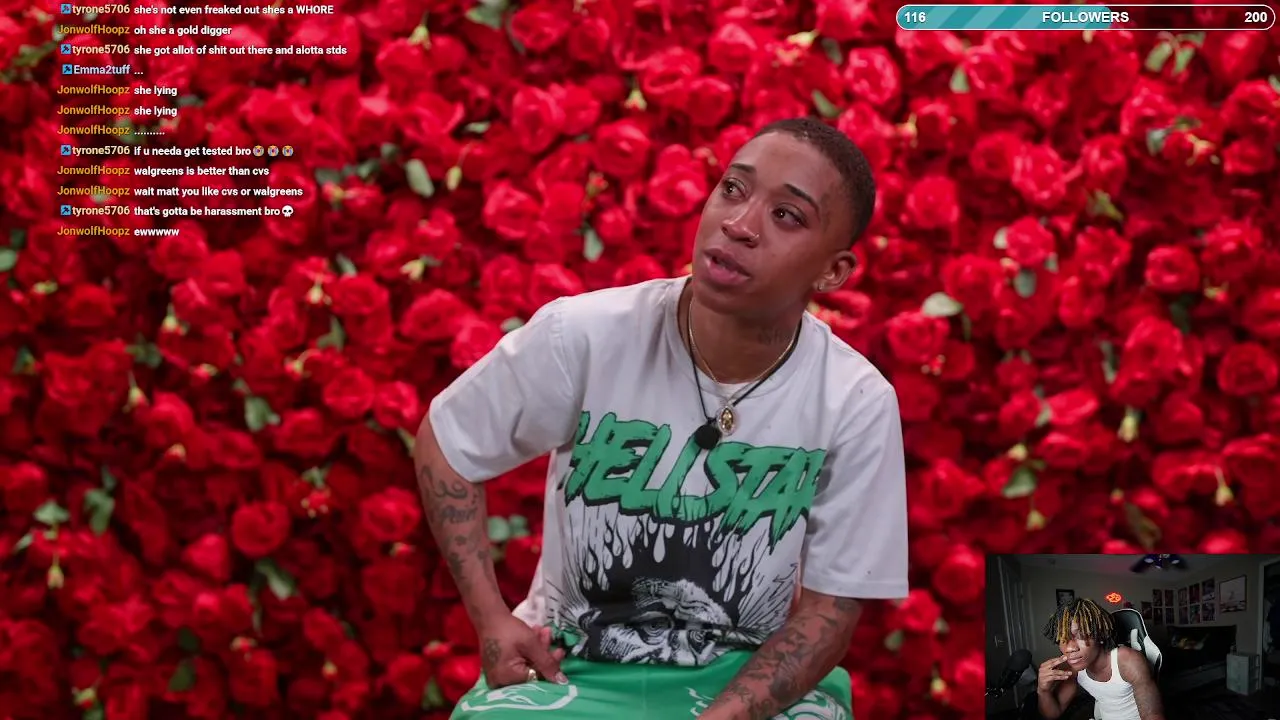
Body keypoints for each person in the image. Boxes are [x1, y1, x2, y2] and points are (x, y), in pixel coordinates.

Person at [415, 117, 908, 720]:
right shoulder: (584, 334)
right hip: (573, 663)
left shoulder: (856, 400)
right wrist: (493, 621)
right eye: (733, 188)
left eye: (787, 215)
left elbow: (831, 611)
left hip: (748, 677)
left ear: (833, 271)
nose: (740, 224)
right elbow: (448, 442)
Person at [1036, 598, 1165, 720]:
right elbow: (1053, 713)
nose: (1069, 648)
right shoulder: (1073, 668)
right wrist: (1043, 691)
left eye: (1080, 635)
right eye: (1062, 638)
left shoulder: (1127, 660)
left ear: (1100, 635)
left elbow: (1153, 715)